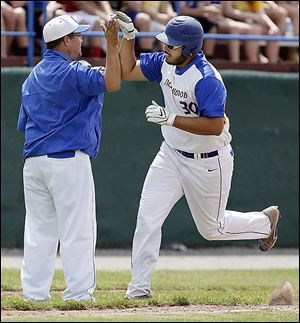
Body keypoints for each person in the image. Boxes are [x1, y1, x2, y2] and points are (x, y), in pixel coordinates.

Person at [114, 12, 281, 299]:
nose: (165, 48)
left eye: (172, 45)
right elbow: (128, 71)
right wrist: (129, 37)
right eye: (165, 42)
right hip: (170, 155)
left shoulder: (206, 79)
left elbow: (215, 126)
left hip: (208, 160)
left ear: (190, 49)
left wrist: (171, 119)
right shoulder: (165, 62)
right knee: (147, 218)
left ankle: (265, 223)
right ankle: (139, 288)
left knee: (212, 230)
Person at [17, 14, 120, 302]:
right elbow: (112, 82)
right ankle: (78, 294)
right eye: (78, 36)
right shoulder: (75, 71)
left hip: (34, 162)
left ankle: (34, 295)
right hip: (67, 160)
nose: (82, 40)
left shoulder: (31, 76)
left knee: (39, 232)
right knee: (78, 230)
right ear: (66, 41)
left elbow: (25, 124)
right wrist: (112, 46)